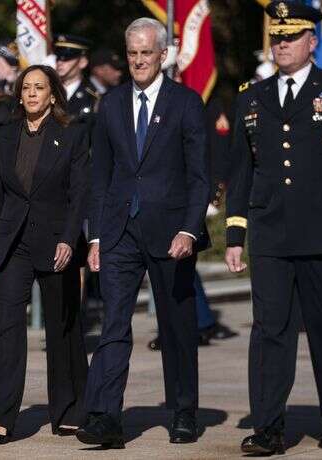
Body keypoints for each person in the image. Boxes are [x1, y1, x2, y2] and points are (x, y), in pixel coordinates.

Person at [225, 1, 322, 454]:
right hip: (271, 234)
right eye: (278, 36)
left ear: (312, 42)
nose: (283, 43)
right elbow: (240, 171)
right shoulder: (251, 97)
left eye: (292, 36)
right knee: (269, 331)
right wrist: (235, 235)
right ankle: (269, 427)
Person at [76, 17, 210, 448]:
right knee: (113, 323)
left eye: (146, 53)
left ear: (163, 55)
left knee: (176, 327)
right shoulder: (110, 104)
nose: (138, 61)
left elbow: (199, 176)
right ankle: (103, 415)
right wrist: (95, 236)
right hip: (118, 232)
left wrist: (190, 229)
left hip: (171, 233)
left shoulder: (186, 103)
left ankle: (184, 411)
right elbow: (100, 174)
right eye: (132, 53)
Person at [0, 65, 89, 445]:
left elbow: (78, 195)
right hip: (13, 241)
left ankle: (69, 410)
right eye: (26, 88)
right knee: (8, 323)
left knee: (62, 325)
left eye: (40, 88)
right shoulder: (5, 136)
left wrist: (70, 240)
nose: (32, 94)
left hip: (56, 240)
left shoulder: (71, 135)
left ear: (53, 94)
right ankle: (1, 415)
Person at [54, 34, 100, 127]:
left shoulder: (92, 98)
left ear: (83, 62)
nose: (60, 62)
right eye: (58, 57)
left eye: (67, 57)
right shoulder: (48, 91)